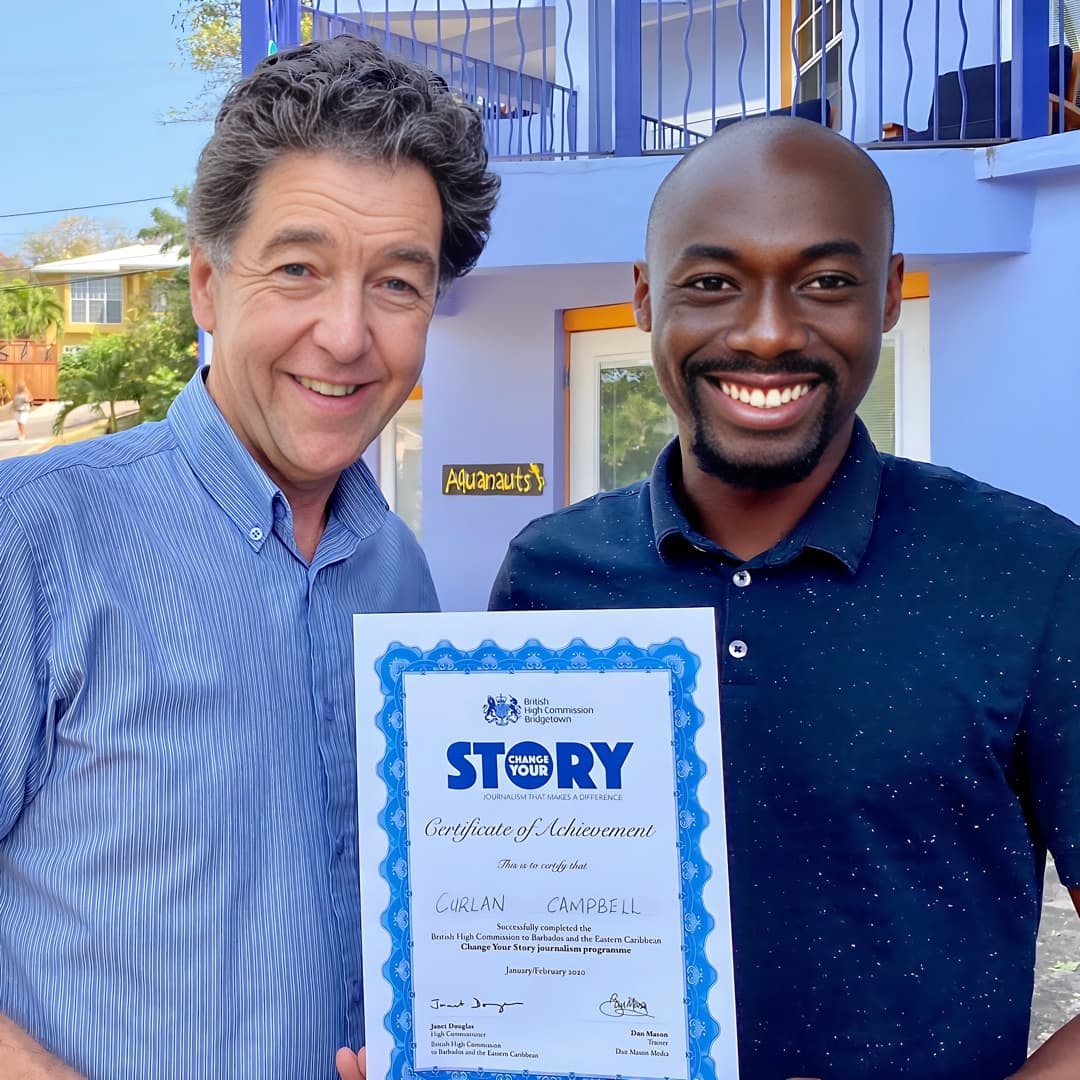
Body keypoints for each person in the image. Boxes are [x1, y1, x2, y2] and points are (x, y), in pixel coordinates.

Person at [489, 117, 1080, 1079]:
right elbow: (510, 910)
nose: (766, 333)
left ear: (888, 296)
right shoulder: (549, 578)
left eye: (827, 282)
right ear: (647, 297)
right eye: (713, 283)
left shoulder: (1031, 574)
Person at [0, 36, 498, 1079]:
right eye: (299, 269)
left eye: (398, 284)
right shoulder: (35, 538)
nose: (347, 333)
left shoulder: (402, 578)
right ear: (206, 286)